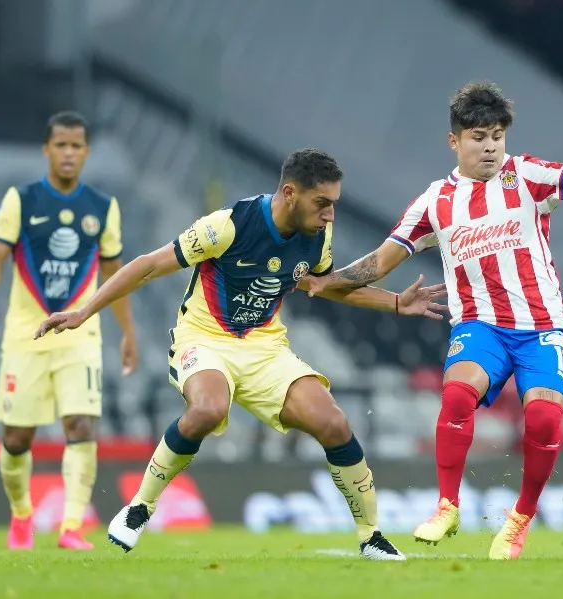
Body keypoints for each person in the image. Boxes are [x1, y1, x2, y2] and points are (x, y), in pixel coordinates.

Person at [305, 81, 563, 559]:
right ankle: (447, 506)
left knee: (541, 416)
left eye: (497, 135)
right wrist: (327, 283)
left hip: (542, 325)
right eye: (478, 137)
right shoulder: (435, 201)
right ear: (454, 142)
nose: (490, 146)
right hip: (481, 324)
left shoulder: (529, 176)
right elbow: (381, 261)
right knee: (456, 393)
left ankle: (519, 520)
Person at [34, 148, 447, 560]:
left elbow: (325, 286)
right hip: (204, 339)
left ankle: (370, 536)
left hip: (265, 346)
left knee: (334, 423)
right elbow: (147, 264)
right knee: (208, 409)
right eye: (322, 203)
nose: (330, 215)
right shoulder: (228, 225)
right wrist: (85, 310)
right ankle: (140, 507)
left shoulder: (317, 236)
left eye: (334, 204)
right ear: (289, 192)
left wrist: (395, 303)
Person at [0, 111, 137, 550]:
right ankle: (22, 515)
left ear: (86, 152)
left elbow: (114, 274)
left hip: (80, 337)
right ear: (47, 149)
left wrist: (127, 333)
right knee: (16, 438)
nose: (68, 153)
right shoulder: (21, 200)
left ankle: (70, 527)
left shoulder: (103, 208)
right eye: (60, 145)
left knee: (81, 425)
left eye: (76, 146)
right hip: (24, 337)